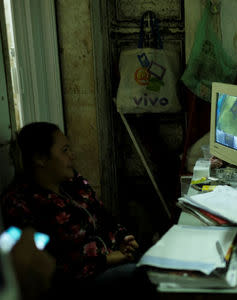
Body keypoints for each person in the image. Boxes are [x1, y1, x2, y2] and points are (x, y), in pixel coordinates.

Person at [1, 122, 155, 299]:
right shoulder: (20, 202)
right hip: (79, 283)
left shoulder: (73, 183)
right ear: (40, 158)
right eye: (64, 150)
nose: (72, 156)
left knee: (158, 264)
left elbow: (104, 216)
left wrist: (122, 238)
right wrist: (108, 259)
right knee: (142, 277)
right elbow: (51, 266)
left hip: (114, 258)